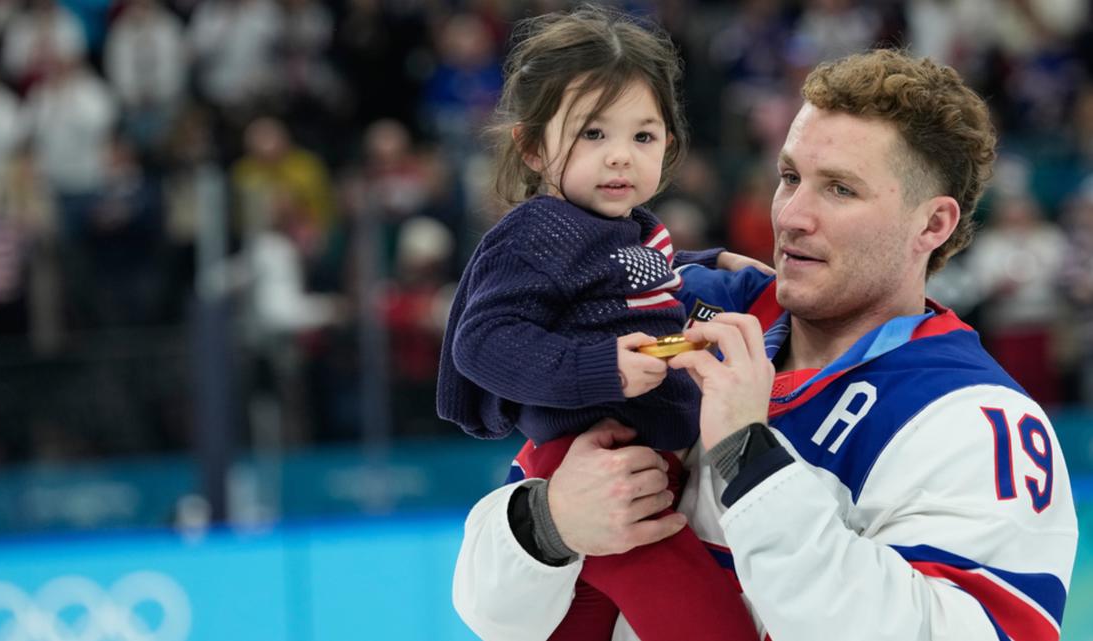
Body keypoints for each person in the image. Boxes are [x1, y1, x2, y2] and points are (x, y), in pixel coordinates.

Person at [451, 48, 1079, 641]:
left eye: (840, 189)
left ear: (933, 223)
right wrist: (547, 525)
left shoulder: (972, 420)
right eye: (789, 176)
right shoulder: (684, 311)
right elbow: (490, 612)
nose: (791, 215)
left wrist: (747, 458)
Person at [437, 7, 761, 641]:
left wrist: (708, 260)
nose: (620, 157)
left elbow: (635, 271)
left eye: (643, 136)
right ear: (532, 146)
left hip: (637, 460)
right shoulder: (536, 233)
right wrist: (600, 367)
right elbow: (483, 341)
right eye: (592, 134)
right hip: (596, 465)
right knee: (705, 620)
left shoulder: (622, 227)